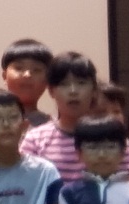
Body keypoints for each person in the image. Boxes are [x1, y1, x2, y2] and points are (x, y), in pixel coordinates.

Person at [19, 50, 98, 182]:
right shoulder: (35, 139)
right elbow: (25, 185)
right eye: (64, 84)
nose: (73, 91)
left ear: (94, 90)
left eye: (81, 83)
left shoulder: (112, 136)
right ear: (51, 91)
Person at [0, 41, 52, 128]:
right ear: (4, 76)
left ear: (48, 79)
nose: (27, 75)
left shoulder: (54, 128)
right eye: (19, 68)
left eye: (36, 70)